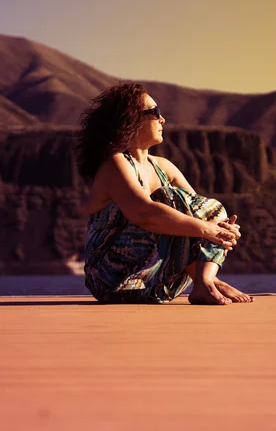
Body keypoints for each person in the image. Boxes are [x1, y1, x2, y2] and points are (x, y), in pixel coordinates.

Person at [75, 82, 253, 305]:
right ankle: (207, 283)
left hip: (160, 284)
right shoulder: (115, 163)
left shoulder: (163, 166)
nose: (162, 119)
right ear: (130, 119)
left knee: (207, 208)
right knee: (168, 199)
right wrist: (211, 230)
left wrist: (224, 227)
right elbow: (144, 214)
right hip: (113, 281)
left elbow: (202, 212)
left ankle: (207, 281)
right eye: (155, 112)